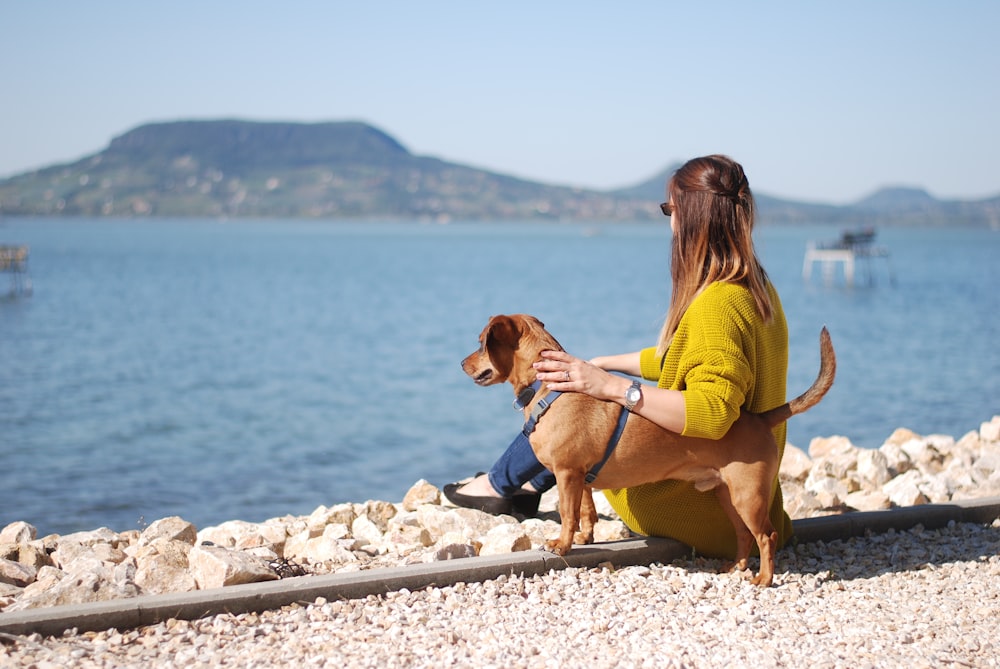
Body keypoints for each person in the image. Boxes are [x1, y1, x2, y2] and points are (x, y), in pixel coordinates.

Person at [443, 154, 794, 559]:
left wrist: (610, 387)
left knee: (569, 425)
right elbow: (688, 361)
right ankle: (512, 484)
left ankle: (501, 485)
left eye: (670, 209)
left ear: (693, 216)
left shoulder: (717, 303)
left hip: (701, 507)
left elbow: (712, 411)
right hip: (751, 489)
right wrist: (606, 363)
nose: (670, 220)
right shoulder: (754, 288)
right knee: (570, 408)